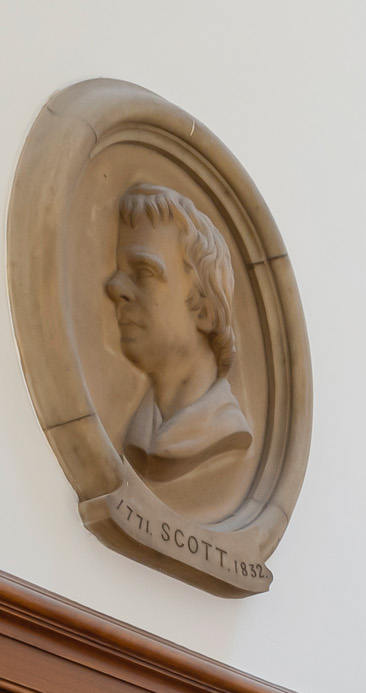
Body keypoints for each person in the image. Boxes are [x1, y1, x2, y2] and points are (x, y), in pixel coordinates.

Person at [104, 183, 256, 480]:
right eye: (120, 272)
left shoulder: (226, 430)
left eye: (144, 271)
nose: (115, 287)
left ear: (204, 310)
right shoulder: (139, 433)